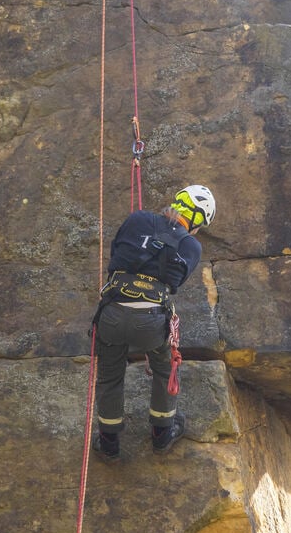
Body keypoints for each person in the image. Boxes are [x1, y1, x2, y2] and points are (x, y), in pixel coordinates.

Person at [90, 185, 216, 462]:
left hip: (112, 313)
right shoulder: (191, 246)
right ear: (197, 220)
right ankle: (162, 433)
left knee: (109, 375)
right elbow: (175, 281)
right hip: (151, 320)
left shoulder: (138, 219)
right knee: (164, 369)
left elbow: (116, 253)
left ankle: (109, 442)